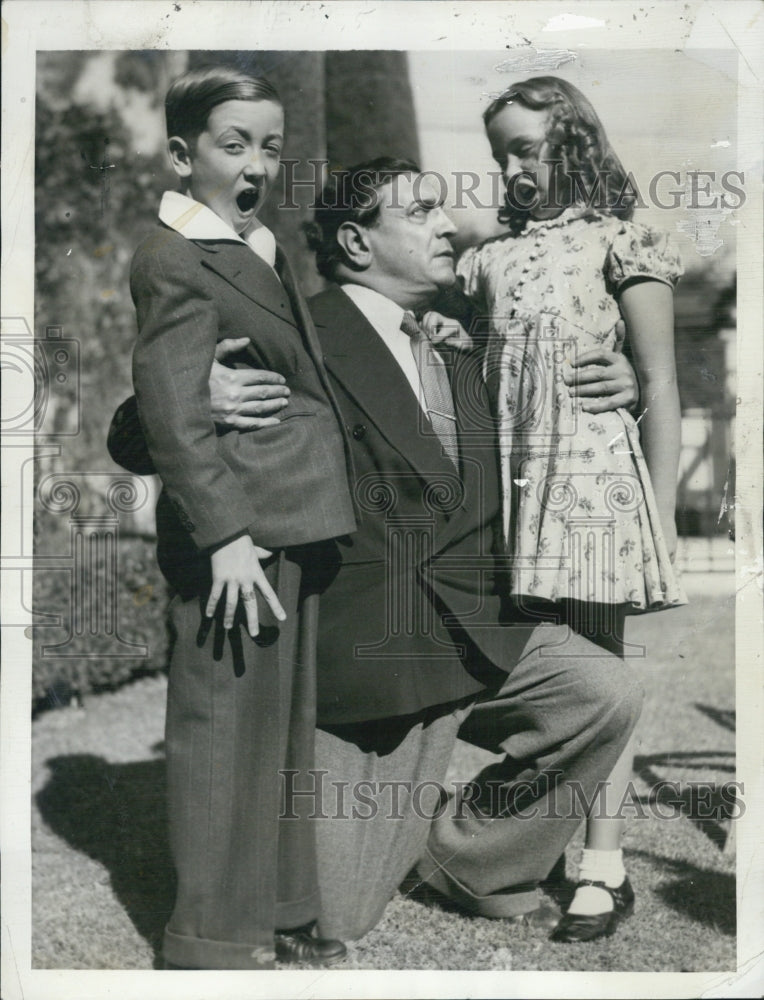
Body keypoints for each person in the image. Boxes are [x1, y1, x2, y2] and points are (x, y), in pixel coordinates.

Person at [109, 158, 643, 945]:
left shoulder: (470, 337)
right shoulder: (302, 330)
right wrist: (191, 397)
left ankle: (472, 860)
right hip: (363, 661)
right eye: (422, 212)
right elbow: (144, 425)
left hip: (480, 631)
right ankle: (391, 837)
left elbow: (567, 402)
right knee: (333, 917)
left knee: (605, 691)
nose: (449, 227)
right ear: (356, 239)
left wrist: (628, 381)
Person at [127, 66, 356, 969]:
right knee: (224, 734)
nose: (256, 163)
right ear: (184, 155)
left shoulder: (254, 244)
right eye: (233, 145)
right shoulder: (172, 254)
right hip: (239, 535)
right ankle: (212, 940)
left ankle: (286, 911)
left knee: (281, 732)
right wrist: (223, 538)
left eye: (269, 145)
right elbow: (175, 410)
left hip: (289, 520)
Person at [458, 76, 687, 941]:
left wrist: (659, 515)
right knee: (547, 679)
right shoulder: (487, 259)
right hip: (510, 490)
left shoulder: (623, 243)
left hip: (593, 485)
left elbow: (659, 380)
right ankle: (532, 837)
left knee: (604, 674)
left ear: (576, 140)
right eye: (499, 155)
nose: (512, 167)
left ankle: (605, 863)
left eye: (526, 146)